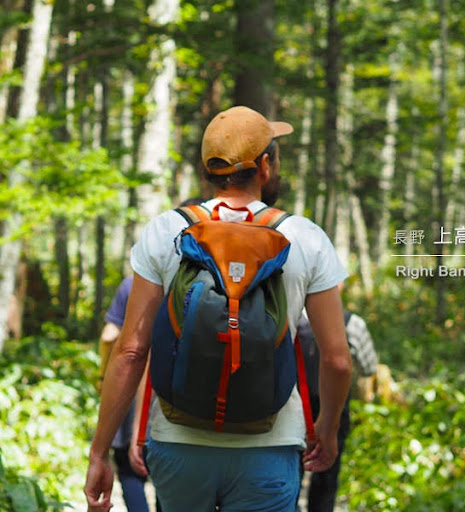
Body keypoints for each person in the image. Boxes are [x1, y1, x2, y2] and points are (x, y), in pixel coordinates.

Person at [85, 105, 352, 512]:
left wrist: (100, 452)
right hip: (270, 443)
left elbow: (131, 351)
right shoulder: (305, 237)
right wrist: (327, 431)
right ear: (265, 166)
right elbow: (336, 360)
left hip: (178, 443)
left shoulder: (166, 230)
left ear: (208, 169)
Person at [297, 291, 378, 512]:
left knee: (289, 475)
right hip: (334, 412)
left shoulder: (289, 317)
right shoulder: (353, 324)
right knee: (326, 477)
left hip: (294, 412)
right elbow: (368, 367)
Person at [97, 276, 151, 512]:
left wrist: (103, 377)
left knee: (129, 471)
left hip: (130, 388)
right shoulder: (189, 278)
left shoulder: (133, 284)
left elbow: (108, 336)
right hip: (172, 395)